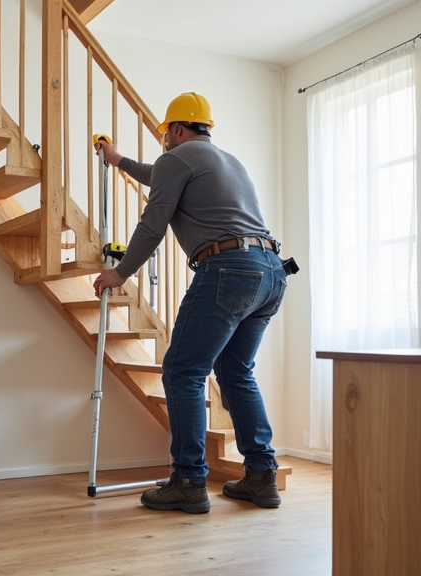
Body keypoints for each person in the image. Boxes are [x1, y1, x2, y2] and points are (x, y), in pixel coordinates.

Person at [92, 92, 287, 514]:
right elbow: (158, 174)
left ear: (176, 129)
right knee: (236, 372)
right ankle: (261, 476)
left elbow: (153, 223)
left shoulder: (175, 160)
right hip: (270, 271)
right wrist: (119, 160)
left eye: (166, 133)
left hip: (229, 270)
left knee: (183, 371)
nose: (165, 141)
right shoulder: (226, 161)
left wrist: (120, 272)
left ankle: (188, 480)